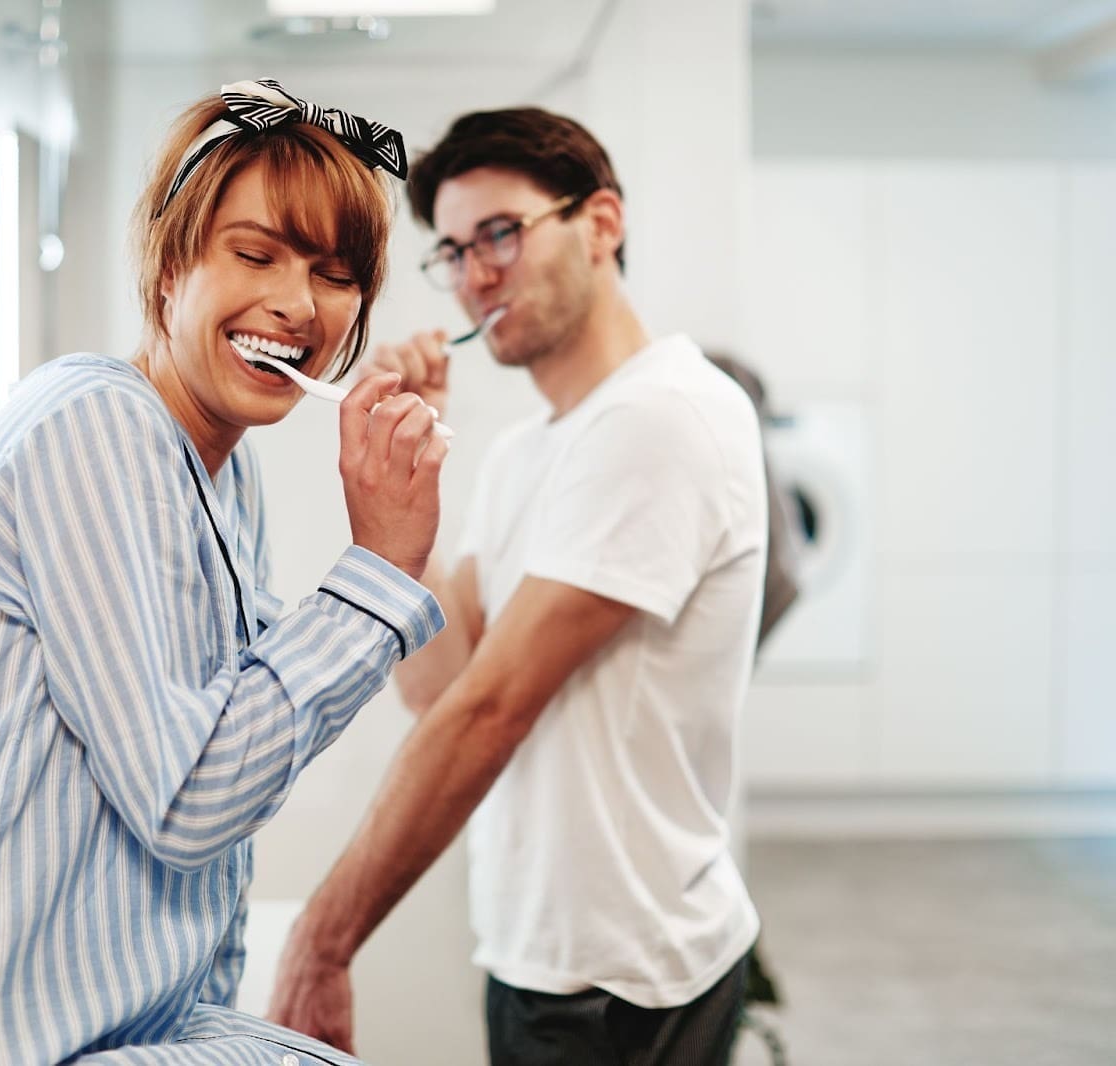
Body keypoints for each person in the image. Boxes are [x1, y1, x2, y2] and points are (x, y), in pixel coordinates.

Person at [0, 79, 447, 1066]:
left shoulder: (223, 474)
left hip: (95, 1025)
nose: (296, 302)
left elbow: (220, 739)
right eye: (255, 254)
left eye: (335, 272)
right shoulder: (94, 429)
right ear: (168, 270)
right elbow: (191, 800)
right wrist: (379, 568)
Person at [267, 107, 768, 1066]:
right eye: (452, 251)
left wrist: (322, 941)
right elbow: (438, 687)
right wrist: (418, 474)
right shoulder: (527, 452)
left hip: (628, 978)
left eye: (500, 232)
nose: (474, 274)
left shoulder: (662, 418)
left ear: (602, 225)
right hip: (542, 956)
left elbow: (491, 708)